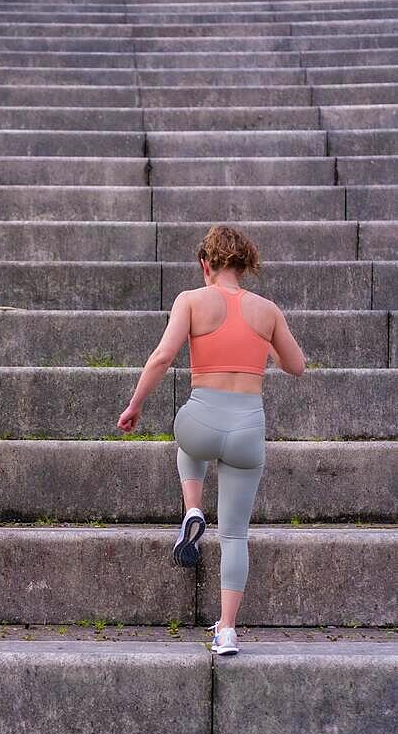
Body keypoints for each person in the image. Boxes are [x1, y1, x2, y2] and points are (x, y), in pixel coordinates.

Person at [117, 225, 305, 655]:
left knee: (189, 438)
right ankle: (226, 631)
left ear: (206, 265)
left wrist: (135, 405)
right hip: (247, 431)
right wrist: (267, 345)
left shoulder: (190, 300)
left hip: (201, 422)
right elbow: (296, 365)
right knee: (236, 535)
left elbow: (163, 356)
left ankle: (193, 507)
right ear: (244, 265)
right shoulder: (267, 310)